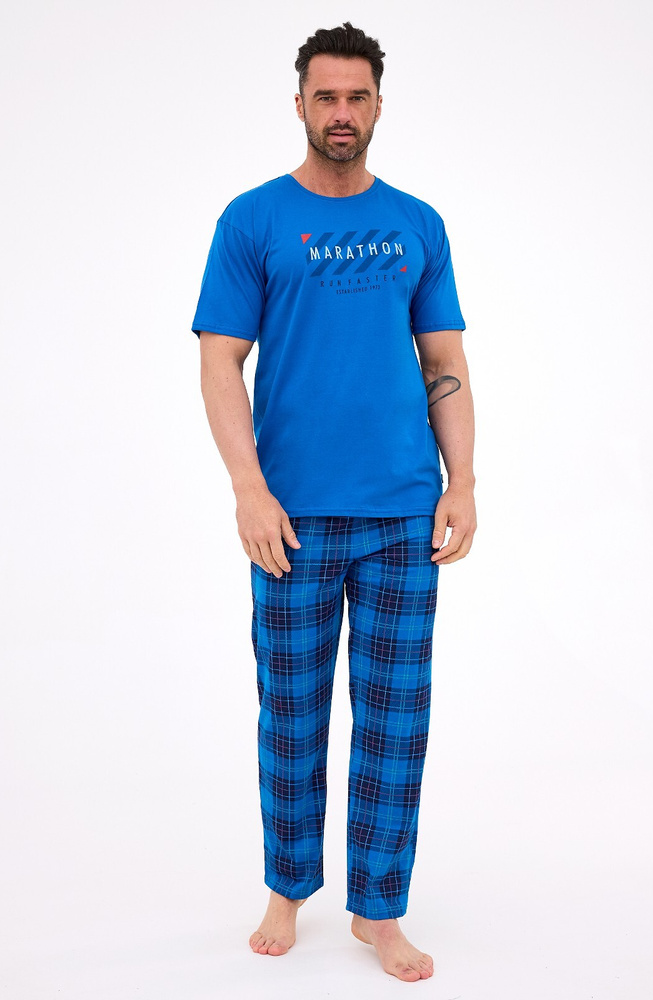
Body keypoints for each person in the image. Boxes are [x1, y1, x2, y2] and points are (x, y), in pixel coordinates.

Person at [190, 21, 477, 983]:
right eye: (327, 96)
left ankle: (378, 910)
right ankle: (288, 887)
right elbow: (220, 361)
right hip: (293, 517)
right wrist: (248, 489)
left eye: (357, 97)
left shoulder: (418, 223)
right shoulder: (253, 221)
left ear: (379, 106)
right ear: (301, 104)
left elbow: (444, 361)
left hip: (403, 511)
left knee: (395, 721)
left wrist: (463, 481)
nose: (342, 112)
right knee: (292, 712)